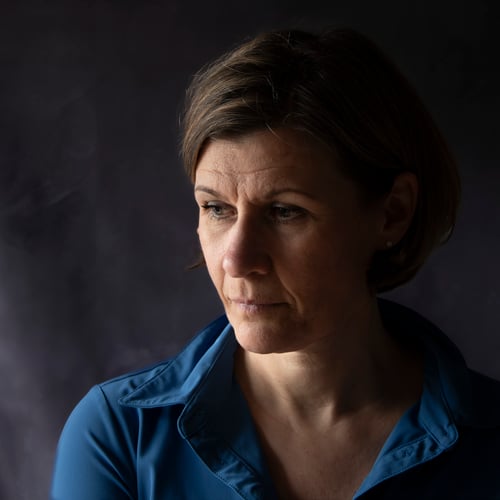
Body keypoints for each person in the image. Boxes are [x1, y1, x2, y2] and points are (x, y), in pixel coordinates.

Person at [51, 28, 500, 499]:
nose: (237, 260)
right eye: (216, 208)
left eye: (285, 212)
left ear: (393, 213)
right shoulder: (121, 436)